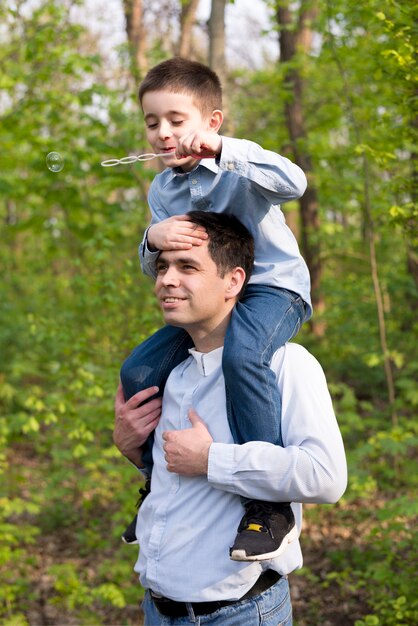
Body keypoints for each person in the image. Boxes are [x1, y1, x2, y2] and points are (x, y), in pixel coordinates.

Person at [113, 211, 347, 626]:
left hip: (239, 612)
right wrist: (132, 448)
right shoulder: (171, 372)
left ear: (233, 281)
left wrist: (211, 459)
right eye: (163, 266)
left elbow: (326, 476)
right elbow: (175, 478)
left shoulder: (285, 364)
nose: (166, 279)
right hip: (157, 608)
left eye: (187, 267)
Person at [120, 56, 312, 560]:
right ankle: (155, 480)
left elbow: (295, 182)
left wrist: (225, 150)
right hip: (211, 303)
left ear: (211, 122)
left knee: (244, 355)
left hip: (271, 291)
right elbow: (170, 263)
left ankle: (270, 505)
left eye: (176, 121)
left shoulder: (240, 169)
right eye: (152, 122)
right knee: (138, 369)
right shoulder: (163, 189)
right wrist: (151, 239)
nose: (163, 133)